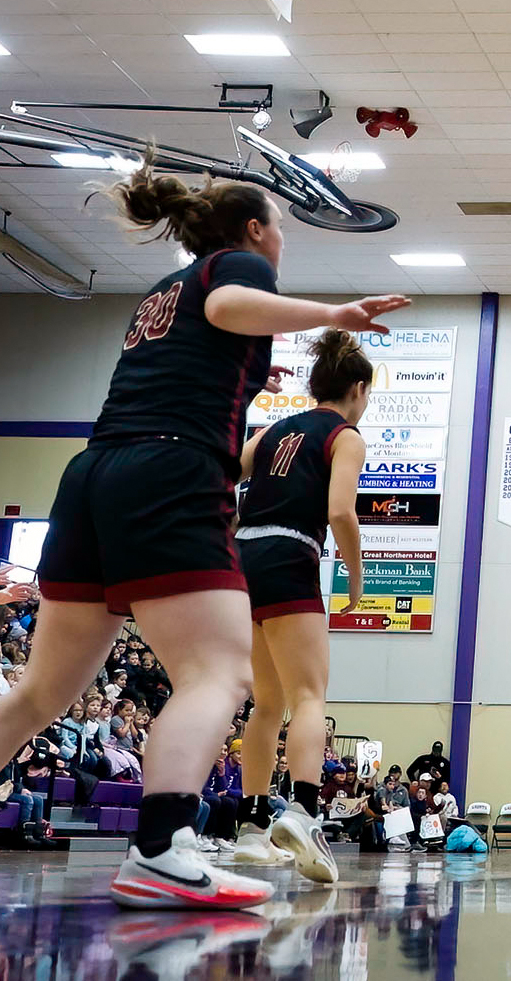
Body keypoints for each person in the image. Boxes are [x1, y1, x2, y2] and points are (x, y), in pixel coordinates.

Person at [0, 154, 408, 909]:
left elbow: (208, 344)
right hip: (171, 473)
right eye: (279, 227)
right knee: (219, 676)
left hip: (94, 472)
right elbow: (228, 310)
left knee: (42, 693)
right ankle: (160, 847)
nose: (280, 241)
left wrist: (254, 380)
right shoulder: (239, 265)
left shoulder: (163, 289)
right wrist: (336, 314)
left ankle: (193, 836)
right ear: (254, 228)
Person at [230, 329, 372, 885]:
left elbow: (222, 478)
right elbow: (340, 513)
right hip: (291, 553)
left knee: (265, 704)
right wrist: (356, 575)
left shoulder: (269, 431)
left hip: (243, 557)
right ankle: (304, 813)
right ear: (357, 389)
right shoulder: (345, 436)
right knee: (309, 696)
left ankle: (250, 827)